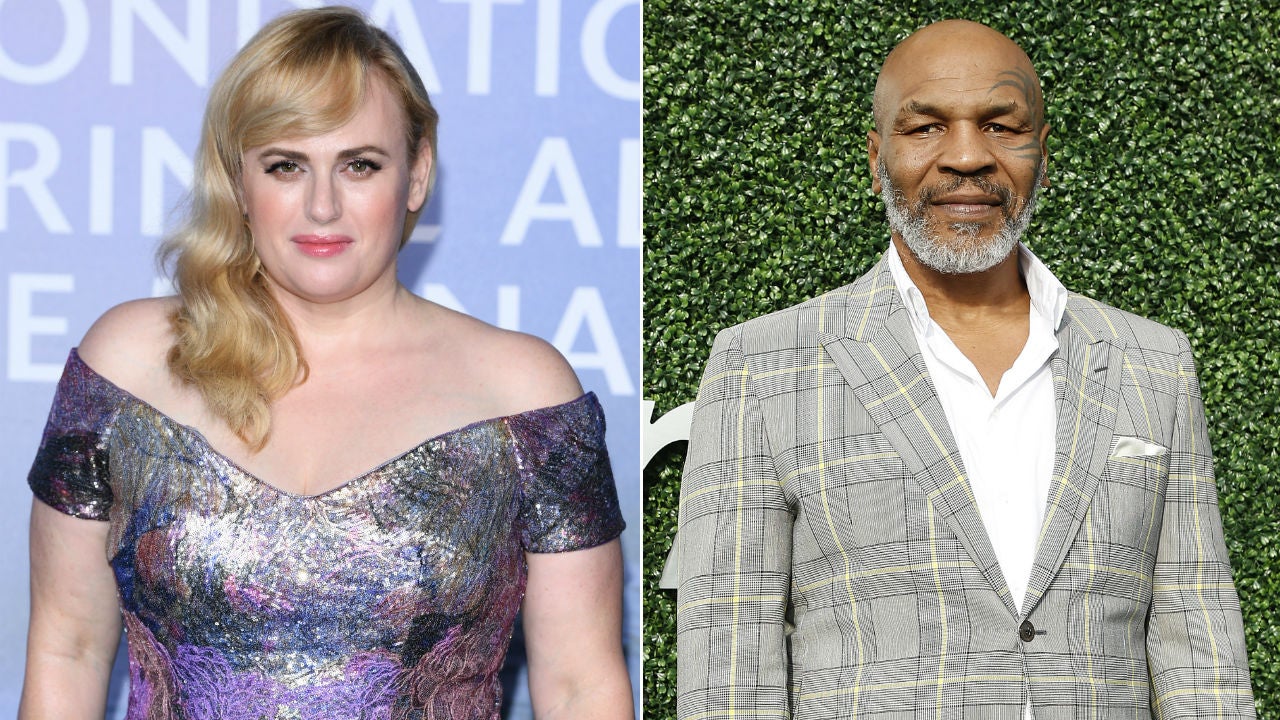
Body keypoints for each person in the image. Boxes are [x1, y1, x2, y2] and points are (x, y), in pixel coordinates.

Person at [20, 6, 630, 719]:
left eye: (359, 165)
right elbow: (67, 649)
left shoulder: (522, 395)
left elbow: (580, 685)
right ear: (238, 181)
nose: (322, 206)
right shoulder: (129, 369)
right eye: (286, 166)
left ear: (416, 174)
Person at [676, 19, 1253, 719]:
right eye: (926, 128)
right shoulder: (762, 365)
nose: (968, 156)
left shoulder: (1153, 362)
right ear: (877, 158)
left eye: (1000, 126)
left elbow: (1201, 646)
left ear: (1042, 154)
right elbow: (728, 660)